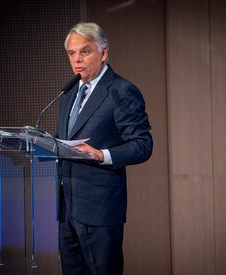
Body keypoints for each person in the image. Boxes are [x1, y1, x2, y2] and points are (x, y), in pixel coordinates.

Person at [56, 22, 153, 275]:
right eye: (72, 53)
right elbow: (67, 139)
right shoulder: (68, 94)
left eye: (85, 51)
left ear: (104, 53)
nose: (77, 59)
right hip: (67, 211)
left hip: (100, 211)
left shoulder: (122, 91)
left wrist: (102, 155)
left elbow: (143, 145)